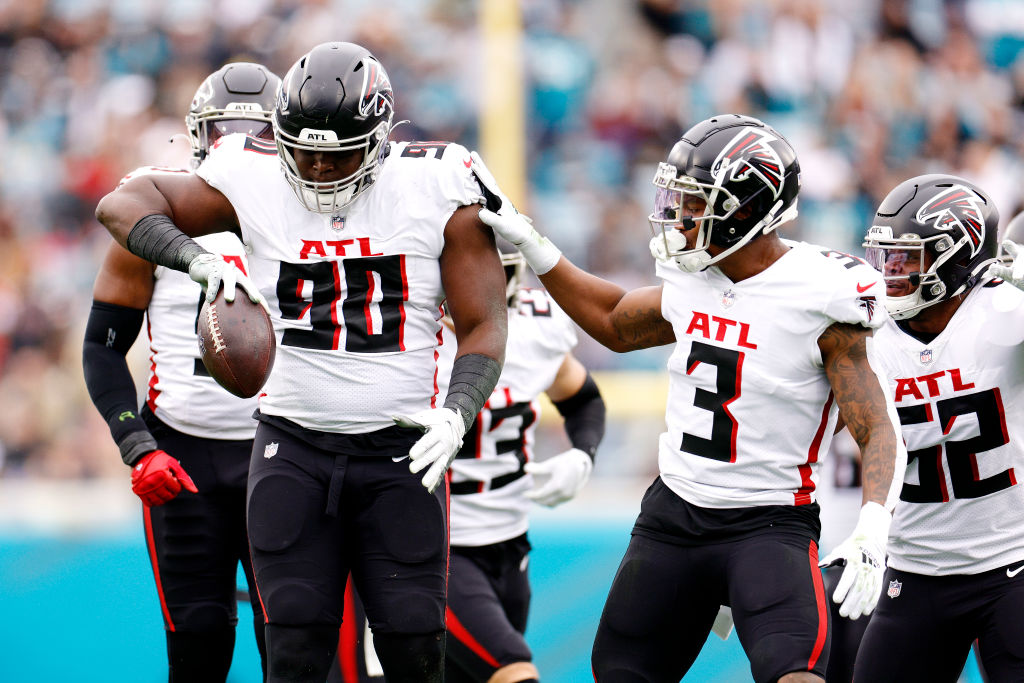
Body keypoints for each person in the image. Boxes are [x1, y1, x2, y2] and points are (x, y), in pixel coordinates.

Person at [94, 41, 508, 683]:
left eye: (335, 152)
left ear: (378, 137)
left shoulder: (436, 181)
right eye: (303, 149)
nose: (316, 167)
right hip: (293, 448)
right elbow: (121, 204)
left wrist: (459, 411)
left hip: (403, 453)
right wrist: (196, 258)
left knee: (413, 652)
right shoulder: (249, 173)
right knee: (290, 652)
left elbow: (484, 322)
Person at [477, 113, 907, 683]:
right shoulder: (692, 279)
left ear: (747, 210)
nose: (678, 215)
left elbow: (876, 426)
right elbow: (611, 320)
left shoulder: (822, 294)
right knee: (621, 672)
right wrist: (535, 246)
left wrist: (874, 525)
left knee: (796, 672)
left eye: (697, 202)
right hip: (673, 516)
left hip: (768, 522)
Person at [82, 61, 280, 683]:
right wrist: (137, 444)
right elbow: (102, 347)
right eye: (226, 134)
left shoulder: (306, 218)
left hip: (282, 451)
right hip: (183, 454)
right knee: (197, 641)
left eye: (255, 134)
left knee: (295, 640)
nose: (239, 149)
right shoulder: (154, 212)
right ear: (200, 137)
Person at [330, 245, 607, 683]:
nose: (474, 281)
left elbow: (582, 399)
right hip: (429, 545)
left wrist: (582, 454)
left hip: (510, 546)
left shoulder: (535, 328)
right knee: (513, 671)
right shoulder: (397, 336)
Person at [850, 174, 1024, 682]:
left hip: (1011, 563)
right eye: (887, 256)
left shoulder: (1005, 315)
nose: (892, 272)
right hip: (914, 570)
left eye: (909, 257)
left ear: (959, 255)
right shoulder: (865, 332)